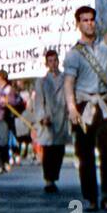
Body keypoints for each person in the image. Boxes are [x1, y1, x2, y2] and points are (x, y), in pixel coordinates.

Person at [63, 6, 107, 213]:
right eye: (85, 20)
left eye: (92, 20)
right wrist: (71, 107)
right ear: (78, 24)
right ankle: (90, 198)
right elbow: (69, 82)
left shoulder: (105, 47)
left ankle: (106, 196)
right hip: (84, 105)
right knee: (85, 154)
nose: (89, 23)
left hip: (104, 104)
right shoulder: (73, 54)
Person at [32, 50, 70, 192]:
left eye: (55, 60)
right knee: (48, 150)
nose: (53, 63)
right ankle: (49, 180)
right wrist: (42, 117)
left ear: (58, 61)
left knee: (59, 150)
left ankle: (54, 177)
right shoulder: (42, 82)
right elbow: (39, 102)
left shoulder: (66, 79)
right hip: (48, 120)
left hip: (61, 119)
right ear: (46, 63)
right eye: (50, 61)